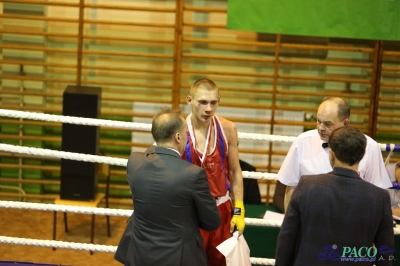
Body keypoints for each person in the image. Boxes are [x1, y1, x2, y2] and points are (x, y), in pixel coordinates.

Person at [115, 108, 221, 266]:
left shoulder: (134, 161)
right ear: (178, 137)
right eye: (185, 133)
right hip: (178, 258)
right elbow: (212, 221)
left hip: (139, 254)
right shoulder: (193, 174)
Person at [275, 126, 394, 266]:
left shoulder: (306, 186)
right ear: (362, 156)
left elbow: (287, 238)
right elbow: (385, 253)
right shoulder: (380, 198)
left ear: (331, 154)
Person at [278, 97, 392, 211]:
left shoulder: (370, 147)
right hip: (310, 220)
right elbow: (290, 187)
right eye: (318, 121)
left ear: (346, 123)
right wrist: (290, 224)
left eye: (328, 124)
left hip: (352, 219)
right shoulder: (303, 141)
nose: (321, 128)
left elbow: (378, 193)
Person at [182, 78, 244, 266]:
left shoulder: (228, 129)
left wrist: (239, 210)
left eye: (213, 102)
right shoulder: (179, 130)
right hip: (190, 213)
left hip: (221, 211)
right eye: (202, 102)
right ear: (189, 100)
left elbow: (234, 171)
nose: (208, 108)